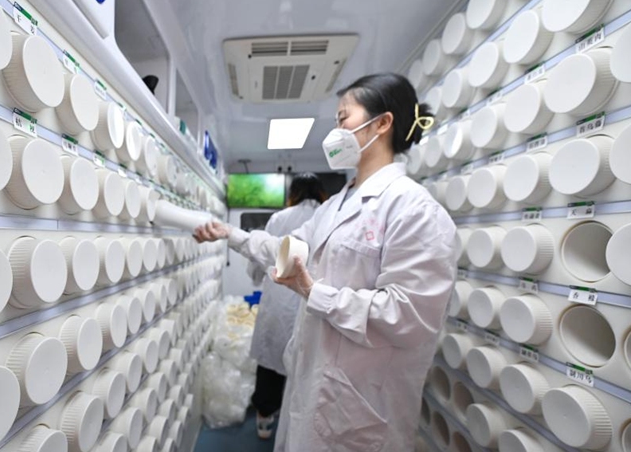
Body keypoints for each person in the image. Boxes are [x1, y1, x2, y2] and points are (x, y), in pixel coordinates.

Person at [194, 72, 456, 452]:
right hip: (314, 381)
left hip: (361, 401)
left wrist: (315, 293)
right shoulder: (335, 206)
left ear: (382, 123)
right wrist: (230, 235)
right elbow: (291, 248)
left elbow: (410, 316)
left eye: (343, 118)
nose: (336, 131)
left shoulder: (415, 210)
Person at [246, 173, 327, 440]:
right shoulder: (328, 217)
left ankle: (265, 420)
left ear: (293, 193)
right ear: (320, 193)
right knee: (306, 368)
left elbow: (260, 256)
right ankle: (298, 429)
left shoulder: (279, 218)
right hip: (313, 302)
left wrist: (257, 279)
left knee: (270, 365)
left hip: (279, 300)